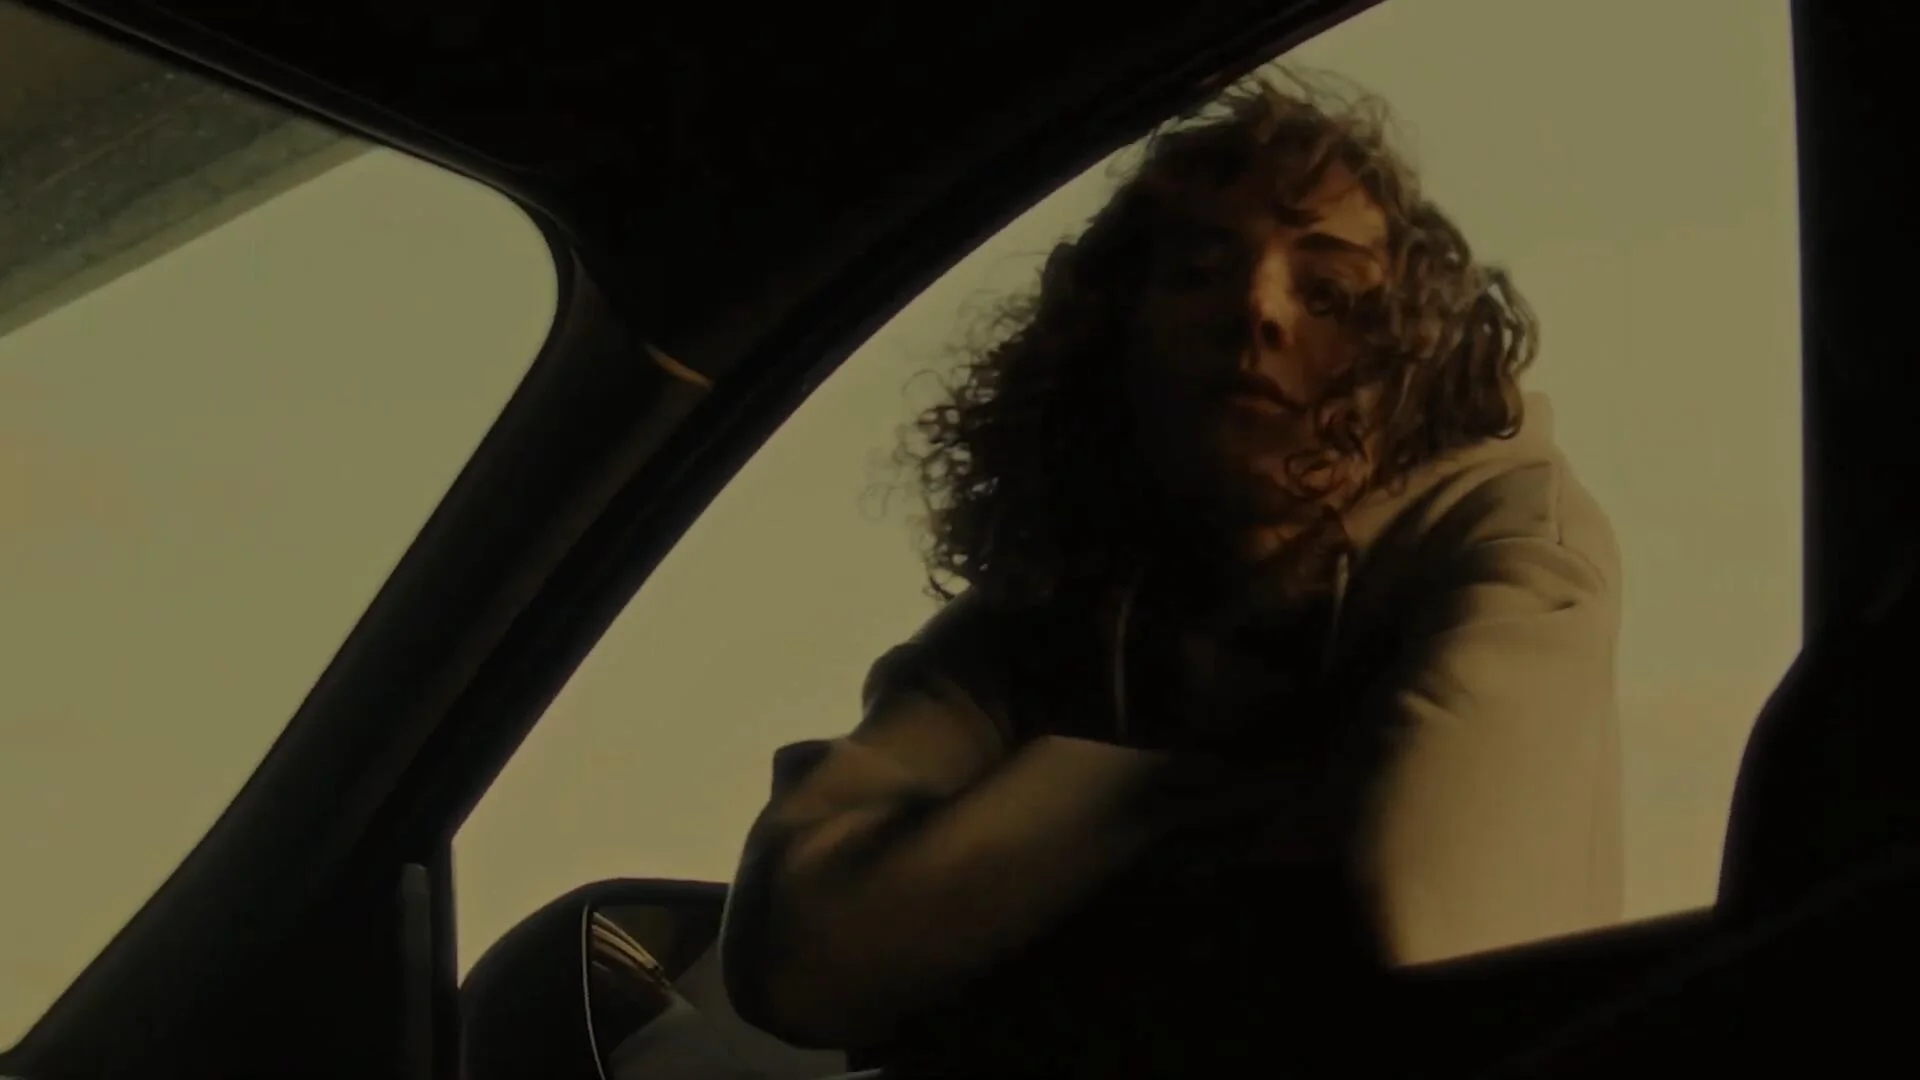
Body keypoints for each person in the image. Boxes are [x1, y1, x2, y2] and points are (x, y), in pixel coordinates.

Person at [717, 69, 1624, 1078]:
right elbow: (798, 955)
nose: (1258, 310)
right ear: (1114, 336)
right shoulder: (1053, 603)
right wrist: (1165, 797)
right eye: (1198, 272)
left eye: (1327, 292)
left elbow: (1418, 928)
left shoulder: (1506, 535)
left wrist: (1009, 892)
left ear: (1411, 355)